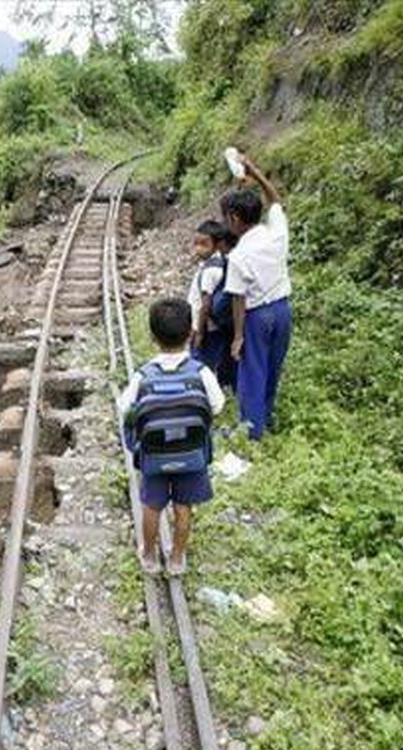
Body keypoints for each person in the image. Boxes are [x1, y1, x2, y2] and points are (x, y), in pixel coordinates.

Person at [120, 298, 225, 576]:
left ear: (153, 337)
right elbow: (217, 405)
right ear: (190, 332)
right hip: (192, 456)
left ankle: (149, 556)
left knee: (152, 507)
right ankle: (177, 558)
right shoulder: (201, 373)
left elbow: (125, 409)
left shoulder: (143, 376)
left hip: (154, 457)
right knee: (183, 507)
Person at [222, 155, 292, 439]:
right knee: (273, 367)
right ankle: (266, 418)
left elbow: (238, 299)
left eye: (227, 217)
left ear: (235, 219)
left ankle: (251, 432)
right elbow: (275, 201)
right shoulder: (277, 233)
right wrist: (256, 173)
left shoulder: (239, 255)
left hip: (257, 316)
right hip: (283, 311)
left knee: (252, 371)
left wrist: (238, 336)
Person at [188, 220, 234, 387]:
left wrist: (199, 332)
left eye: (204, 244)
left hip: (206, 329)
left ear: (217, 245)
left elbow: (205, 304)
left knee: (199, 366)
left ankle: (201, 395)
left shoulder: (210, 271)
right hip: (214, 327)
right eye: (196, 243)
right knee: (211, 363)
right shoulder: (219, 263)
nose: (199, 248)